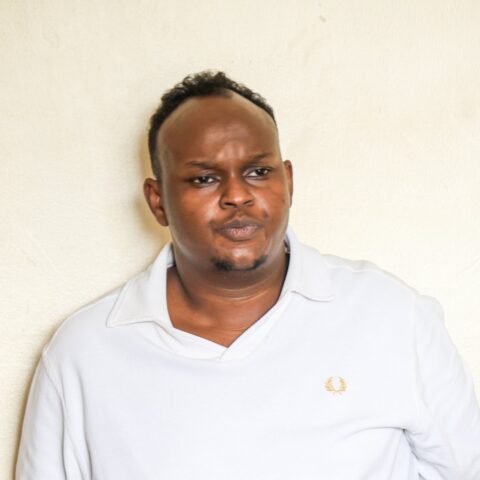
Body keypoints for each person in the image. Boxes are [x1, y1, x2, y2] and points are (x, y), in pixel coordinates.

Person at [16, 71, 480, 479]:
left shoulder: (391, 316)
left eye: (258, 171)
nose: (237, 195)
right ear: (158, 202)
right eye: (204, 178)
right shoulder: (84, 355)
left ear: (288, 182)